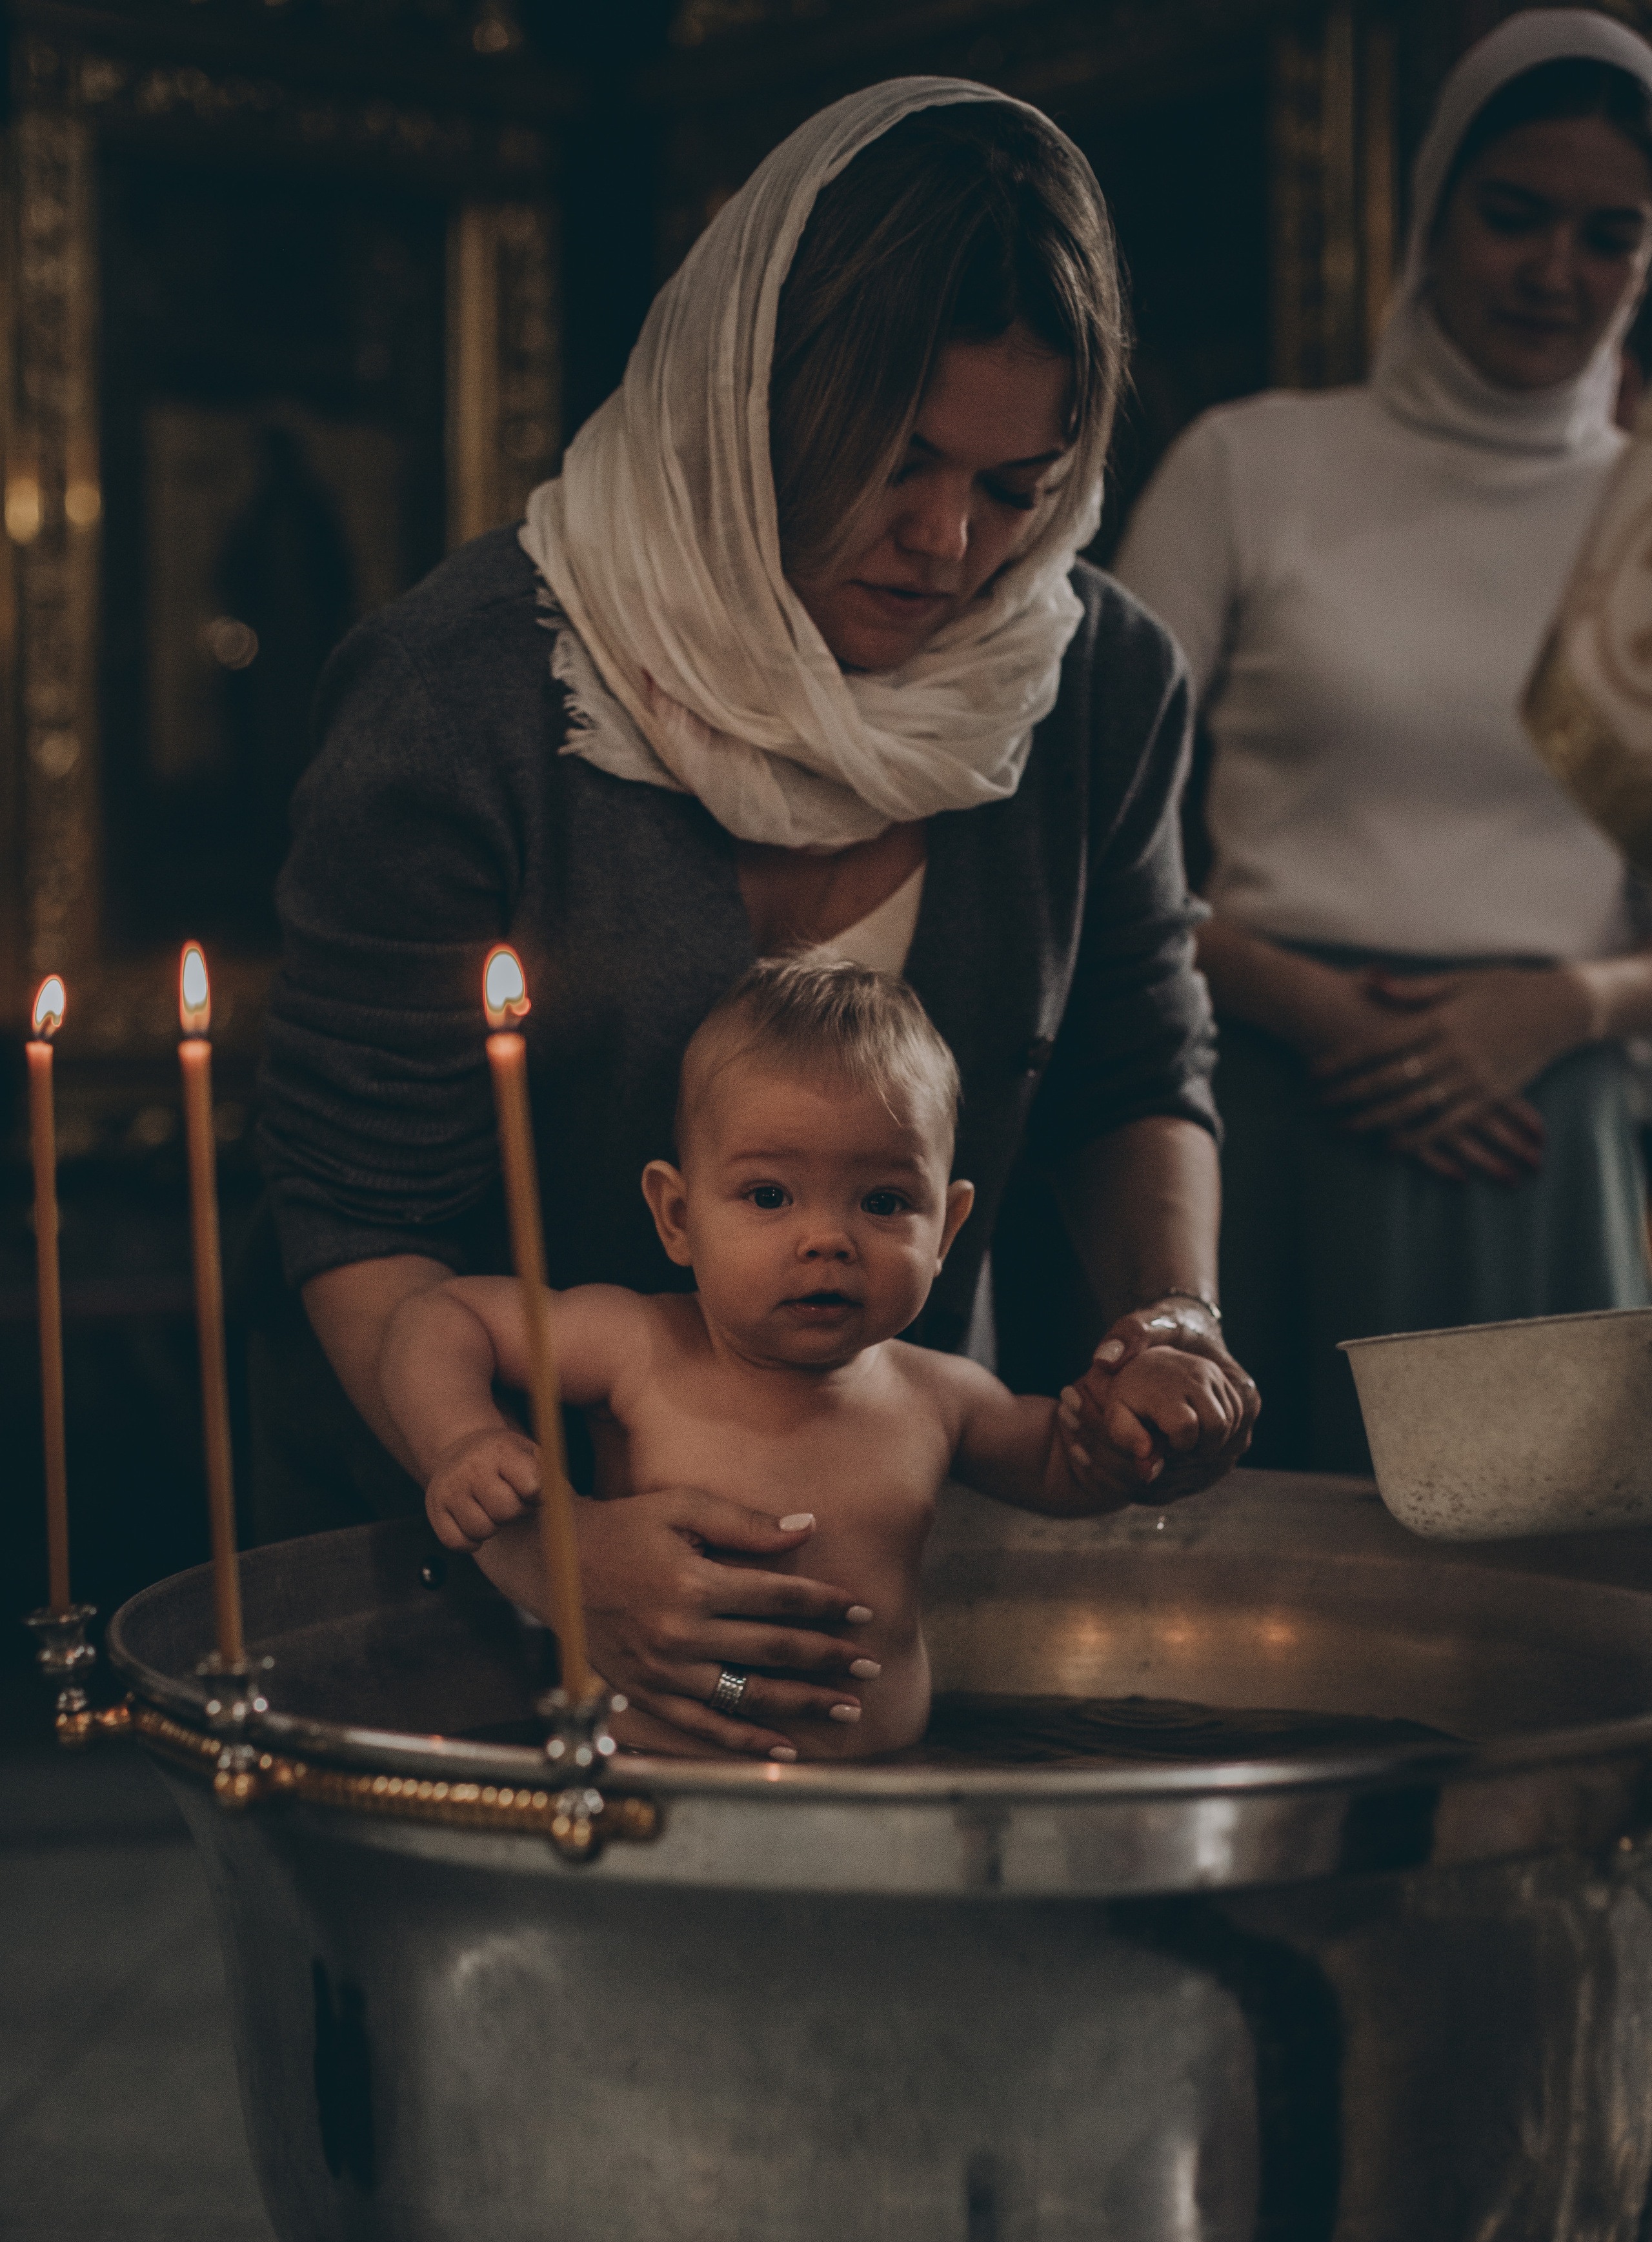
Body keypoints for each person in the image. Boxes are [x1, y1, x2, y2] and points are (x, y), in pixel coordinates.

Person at [255, 74, 1259, 1775]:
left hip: (873, 1579)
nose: (950, 545)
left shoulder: (1091, 682)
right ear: (749, 397)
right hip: (462, 1574)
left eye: (1021, 485)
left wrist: (1170, 1329)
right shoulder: (465, 698)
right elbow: (361, 1209)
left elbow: (1128, 1067)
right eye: (895, 461)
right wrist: (546, 1550)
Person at [1113, 10, 1652, 1475]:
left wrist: (1561, 1009)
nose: (1554, 270)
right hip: (1262, 1093)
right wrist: (1296, 1000)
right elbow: (1080, 814)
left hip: (1546, 1131)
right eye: (1512, 214)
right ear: (1432, 210)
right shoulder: (1254, 464)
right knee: (1268, 1607)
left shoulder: (1646, 516)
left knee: (1552, 1621)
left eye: (1609, 233)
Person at [379, 960, 1247, 1762]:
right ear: (677, 1216)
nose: (827, 1239)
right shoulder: (634, 1346)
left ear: (946, 1229)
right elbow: (439, 1316)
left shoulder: (943, 1395)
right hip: (656, 1788)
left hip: (893, 1798)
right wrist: (463, 1438)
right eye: (768, 1195)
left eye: (882, 1201)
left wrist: (1142, 1413)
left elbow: (1073, 1464)